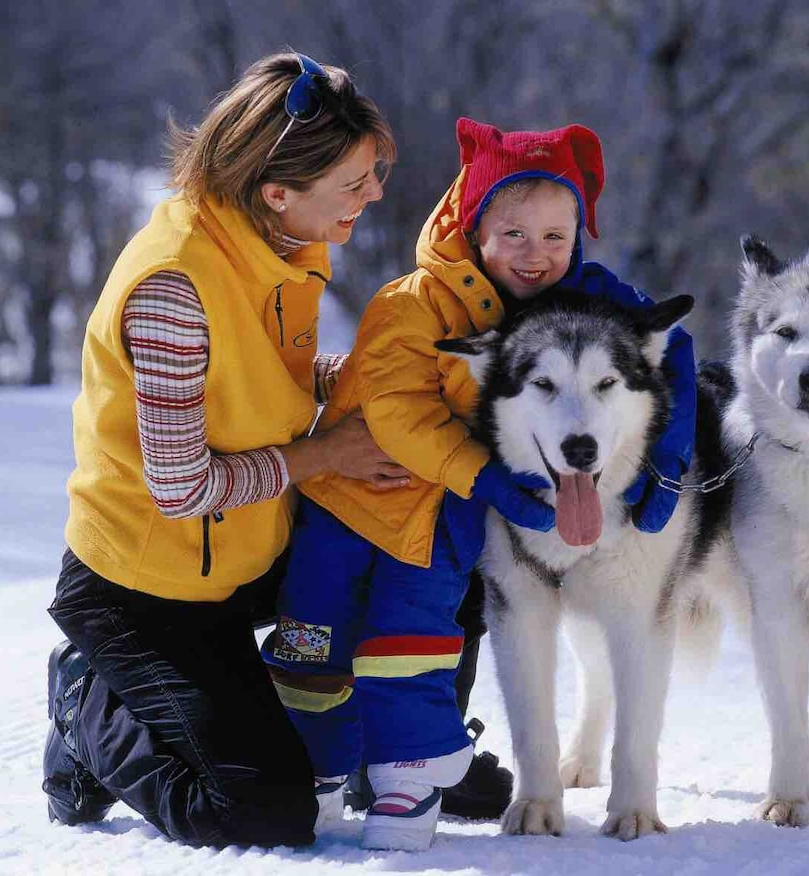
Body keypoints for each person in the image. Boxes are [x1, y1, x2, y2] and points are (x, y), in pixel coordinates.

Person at [262, 117, 697, 851]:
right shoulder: (417, 302)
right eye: (515, 236)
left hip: (446, 521)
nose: (536, 257)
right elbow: (399, 412)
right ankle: (316, 768)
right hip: (364, 499)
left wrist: (668, 456)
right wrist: (486, 479)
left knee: (422, 639)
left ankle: (407, 773)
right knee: (320, 636)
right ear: (474, 227)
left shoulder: (588, 292)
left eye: (556, 237)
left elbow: (670, 349)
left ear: (578, 238)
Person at [42, 51, 409, 849]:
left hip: (241, 554)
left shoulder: (274, 243)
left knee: (416, 552)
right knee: (264, 811)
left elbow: (256, 380)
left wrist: (355, 384)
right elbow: (180, 486)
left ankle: (407, 750)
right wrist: (330, 453)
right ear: (278, 191)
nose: (373, 194)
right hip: (146, 590)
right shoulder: (174, 285)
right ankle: (86, 707)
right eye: (356, 183)